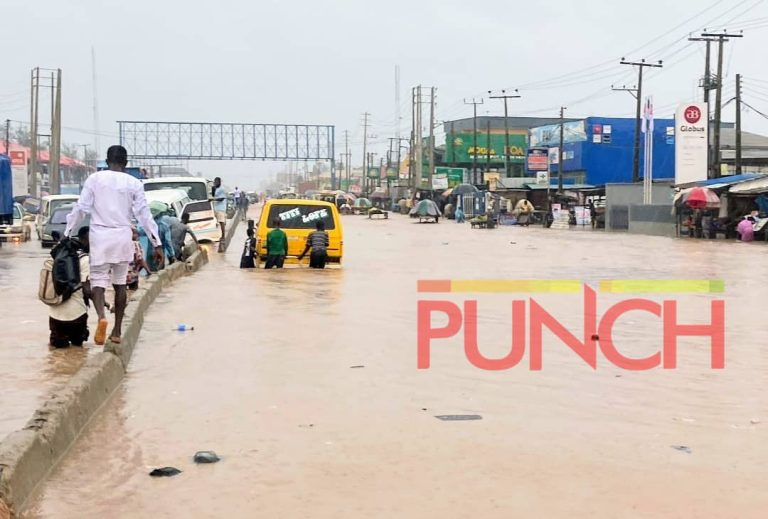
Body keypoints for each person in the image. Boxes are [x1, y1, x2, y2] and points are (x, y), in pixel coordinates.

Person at [64, 145, 163, 346]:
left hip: (99, 236)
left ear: (107, 161)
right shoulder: (134, 183)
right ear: (125, 163)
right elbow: (144, 215)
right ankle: (117, 331)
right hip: (122, 236)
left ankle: (101, 315)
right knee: (120, 285)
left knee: (98, 282)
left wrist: (67, 232)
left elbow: (81, 208)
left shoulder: (94, 179)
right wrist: (157, 243)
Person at [49, 226, 91, 348]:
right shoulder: (85, 259)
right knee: (78, 353)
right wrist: (102, 302)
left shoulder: (57, 255)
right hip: (76, 315)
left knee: (56, 355)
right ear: (88, 240)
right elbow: (87, 290)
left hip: (55, 314)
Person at [126, 226, 151, 291]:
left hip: (120, 276)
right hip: (132, 275)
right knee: (133, 291)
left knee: (121, 292)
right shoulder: (135, 244)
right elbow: (140, 260)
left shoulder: (120, 244)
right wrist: (148, 272)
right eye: (135, 233)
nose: (137, 235)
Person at [212, 177, 227, 252]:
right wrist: (213, 188)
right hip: (216, 208)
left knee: (222, 222)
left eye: (216, 182)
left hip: (221, 208)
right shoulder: (216, 188)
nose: (215, 183)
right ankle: (219, 235)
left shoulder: (222, 189)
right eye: (214, 182)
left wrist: (213, 199)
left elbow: (221, 198)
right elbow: (213, 195)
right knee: (218, 223)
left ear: (219, 182)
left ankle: (223, 236)